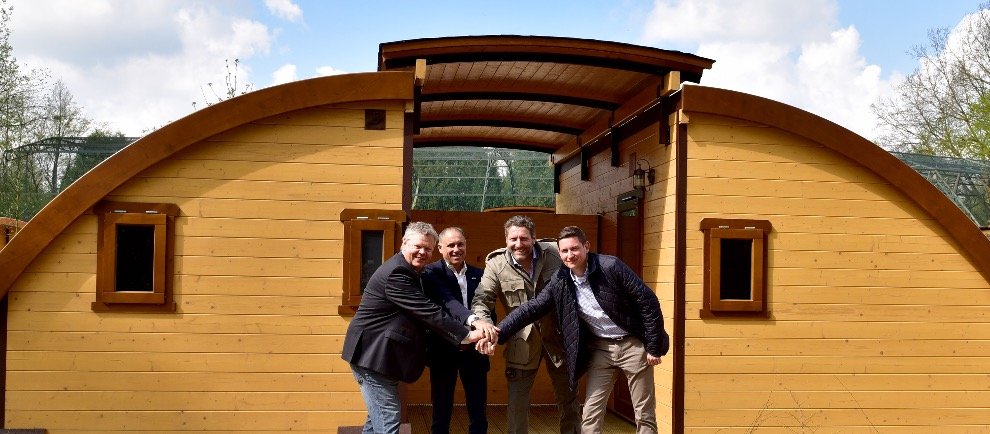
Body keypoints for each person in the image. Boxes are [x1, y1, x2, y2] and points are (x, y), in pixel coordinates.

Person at [483, 225, 668, 434]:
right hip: (602, 349)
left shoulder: (610, 266)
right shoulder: (561, 280)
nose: (570, 255)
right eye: (564, 251)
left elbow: (648, 302)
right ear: (559, 252)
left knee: (644, 413)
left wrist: (652, 346)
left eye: (574, 249)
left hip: (633, 345)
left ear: (586, 247)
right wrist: (497, 333)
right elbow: (532, 308)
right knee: (591, 412)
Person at [342, 222, 487, 434]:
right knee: (389, 417)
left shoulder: (412, 270)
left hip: (382, 357)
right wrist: (466, 334)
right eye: (418, 246)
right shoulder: (398, 272)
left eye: (427, 248)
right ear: (404, 243)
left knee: (377, 421)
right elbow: (428, 312)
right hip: (371, 355)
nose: (423, 252)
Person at [469, 215, 580, 434]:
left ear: (534, 238)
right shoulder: (496, 264)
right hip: (522, 343)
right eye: (513, 239)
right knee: (517, 405)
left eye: (524, 238)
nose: (518, 244)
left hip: (558, 340)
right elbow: (482, 300)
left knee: (569, 400)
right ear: (506, 239)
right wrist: (482, 324)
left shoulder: (556, 253)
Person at [421, 227, 489, 434]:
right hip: (444, 350)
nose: (456, 249)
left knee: (478, 410)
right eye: (450, 245)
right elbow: (446, 305)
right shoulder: (430, 273)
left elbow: (488, 309)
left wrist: (487, 335)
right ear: (440, 248)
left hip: (476, 351)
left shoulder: (480, 274)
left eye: (460, 244)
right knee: (441, 409)